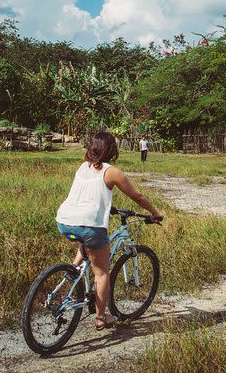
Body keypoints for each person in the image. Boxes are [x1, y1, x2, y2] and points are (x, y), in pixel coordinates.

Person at [56, 132, 164, 330]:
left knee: (87, 241)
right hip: (89, 227)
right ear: (112, 150)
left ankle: (73, 272)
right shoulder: (112, 172)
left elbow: (86, 195)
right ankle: (100, 317)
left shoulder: (83, 166)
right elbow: (138, 197)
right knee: (102, 272)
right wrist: (154, 213)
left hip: (64, 221)